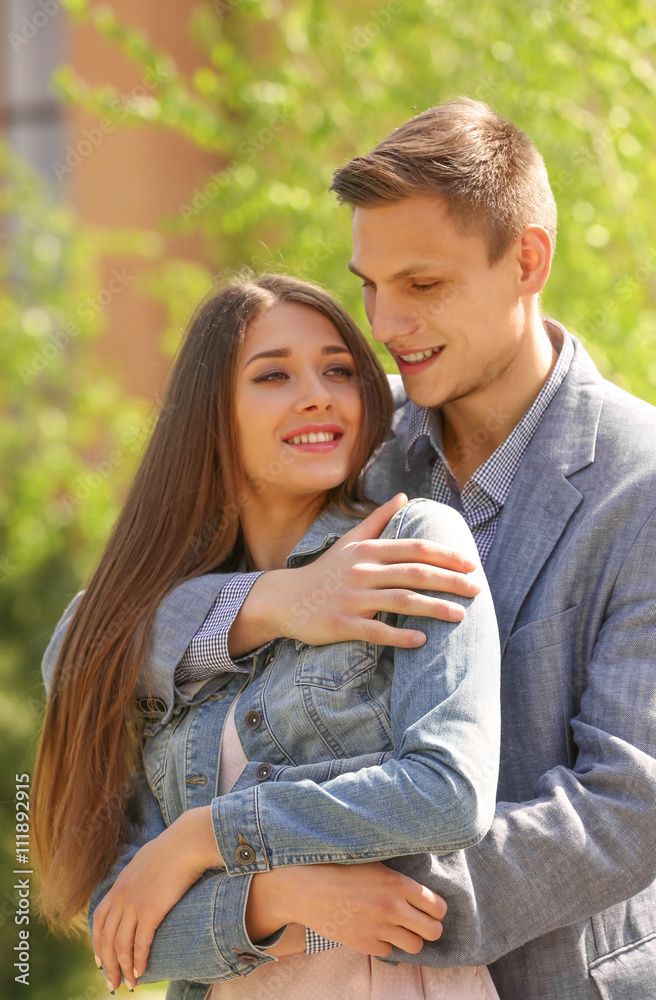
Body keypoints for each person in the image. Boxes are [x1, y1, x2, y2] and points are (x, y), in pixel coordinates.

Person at [96, 99, 656, 999]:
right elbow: (101, 636)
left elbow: (630, 810)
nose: (387, 324)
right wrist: (270, 606)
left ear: (527, 260)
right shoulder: (343, 430)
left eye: (422, 285)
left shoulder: (643, 484)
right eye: (369, 284)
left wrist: (322, 899)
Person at [35, 274, 502, 999]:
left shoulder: (412, 542)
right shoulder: (160, 620)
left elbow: (447, 794)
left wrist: (203, 840)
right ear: (211, 415)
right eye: (274, 374)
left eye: (339, 371)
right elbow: (121, 928)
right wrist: (275, 898)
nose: (317, 393)